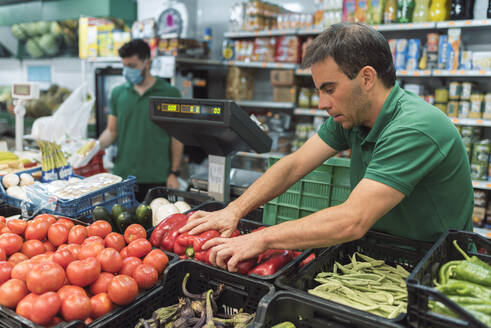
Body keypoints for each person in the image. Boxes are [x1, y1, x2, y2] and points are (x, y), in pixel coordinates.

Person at [180, 23, 473, 272]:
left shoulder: (414, 127)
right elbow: (294, 164)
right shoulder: (353, 115)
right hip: (381, 258)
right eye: (319, 91)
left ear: (367, 78)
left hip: (436, 266)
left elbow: (352, 220)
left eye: (330, 89)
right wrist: (235, 210)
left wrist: (262, 238)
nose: (322, 104)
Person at [97, 39, 184, 201]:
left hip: (158, 177)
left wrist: (174, 172)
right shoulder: (118, 93)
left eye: (132, 66)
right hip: (123, 177)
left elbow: (177, 137)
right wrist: (93, 146)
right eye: (125, 66)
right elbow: (111, 131)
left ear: (147, 63)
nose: (127, 71)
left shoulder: (169, 93)